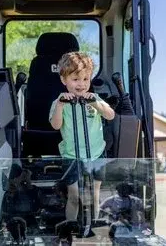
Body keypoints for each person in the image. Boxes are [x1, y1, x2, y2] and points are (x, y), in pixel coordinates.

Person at [49, 52, 116, 226]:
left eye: (86, 79)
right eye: (76, 79)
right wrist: (60, 106)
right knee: (74, 196)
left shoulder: (94, 98)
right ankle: (70, 229)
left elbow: (110, 115)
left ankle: (94, 226)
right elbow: (56, 125)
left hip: (96, 154)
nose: (81, 84)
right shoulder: (59, 102)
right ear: (64, 80)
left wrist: (95, 103)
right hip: (72, 156)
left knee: (94, 194)